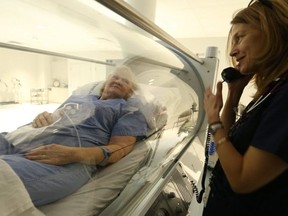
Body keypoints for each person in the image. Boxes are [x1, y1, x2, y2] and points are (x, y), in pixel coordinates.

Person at [0, 65, 148, 206]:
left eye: (125, 81)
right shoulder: (79, 99)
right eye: (115, 77)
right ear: (106, 81)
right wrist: (42, 117)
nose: (118, 81)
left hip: (63, 162)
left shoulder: (128, 109)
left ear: (130, 91)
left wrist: (74, 154)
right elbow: (54, 117)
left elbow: (120, 148)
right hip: (24, 143)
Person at [203, 1, 288, 215]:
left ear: (270, 31)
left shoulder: (285, 95)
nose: (233, 51)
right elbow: (229, 143)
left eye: (240, 37)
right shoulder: (271, 91)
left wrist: (213, 119)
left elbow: (242, 179)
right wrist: (233, 96)